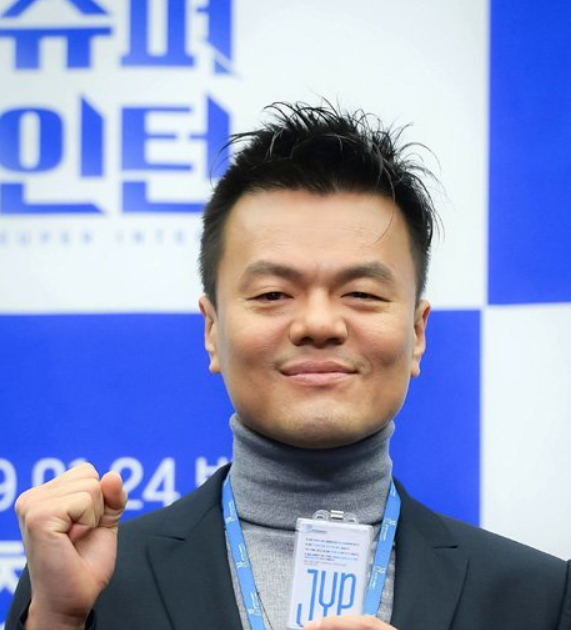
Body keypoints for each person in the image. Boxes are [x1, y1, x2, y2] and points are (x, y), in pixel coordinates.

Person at [6, 103, 571, 630]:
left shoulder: (537, 598)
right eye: (273, 294)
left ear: (417, 333)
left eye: (362, 294)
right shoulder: (81, 583)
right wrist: (57, 620)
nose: (318, 323)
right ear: (212, 330)